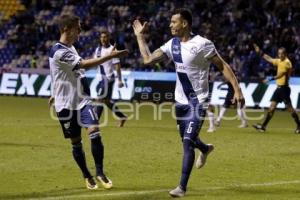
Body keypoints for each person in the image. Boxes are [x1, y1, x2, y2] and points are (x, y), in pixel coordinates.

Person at [133, 8, 244, 198]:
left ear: (184, 23)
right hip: (180, 102)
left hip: (198, 101)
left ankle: (181, 188)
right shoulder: (172, 44)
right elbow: (148, 59)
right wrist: (140, 38)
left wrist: (237, 89)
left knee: (187, 143)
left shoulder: (203, 44)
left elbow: (222, 65)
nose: (170, 25)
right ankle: (206, 148)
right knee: (188, 139)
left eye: (173, 22)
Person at [49, 14, 128, 190]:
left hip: (83, 100)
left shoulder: (71, 47)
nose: (80, 30)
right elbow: (83, 65)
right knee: (76, 142)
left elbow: (66, 73)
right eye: (77, 27)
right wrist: (110, 56)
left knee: (95, 131)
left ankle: (100, 172)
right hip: (65, 105)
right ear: (65, 29)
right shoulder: (58, 51)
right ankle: (87, 174)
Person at [252, 43, 300, 133]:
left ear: (285, 54)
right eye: (279, 53)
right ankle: (263, 126)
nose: (280, 55)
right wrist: (260, 52)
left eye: (281, 53)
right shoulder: (280, 61)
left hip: (284, 89)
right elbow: (269, 59)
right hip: (279, 89)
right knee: (271, 108)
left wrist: (269, 79)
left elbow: (280, 74)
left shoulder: (287, 63)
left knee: (290, 109)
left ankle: (299, 126)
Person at [93, 30, 127, 127]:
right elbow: (96, 63)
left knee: (100, 99)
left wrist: (120, 80)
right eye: (102, 37)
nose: (103, 39)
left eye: (105, 37)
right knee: (106, 101)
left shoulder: (112, 50)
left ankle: (95, 123)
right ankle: (122, 116)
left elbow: (117, 66)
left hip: (108, 79)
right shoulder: (98, 50)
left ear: (109, 38)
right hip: (100, 79)